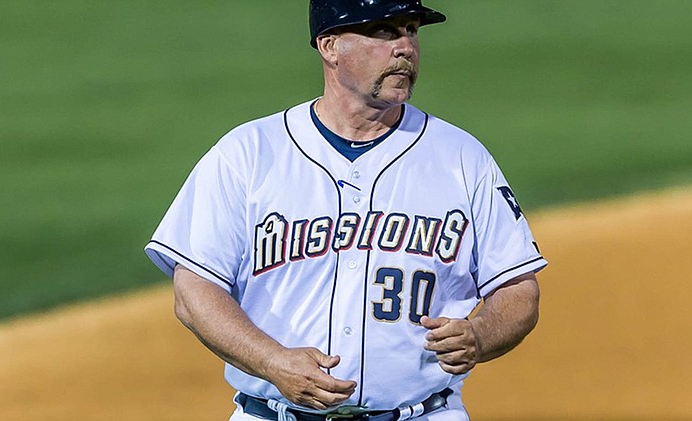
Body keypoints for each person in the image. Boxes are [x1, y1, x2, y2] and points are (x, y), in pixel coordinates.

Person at [145, 1, 547, 420]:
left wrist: (480, 335)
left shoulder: (461, 157)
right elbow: (194, 291)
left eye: (411, 30)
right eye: (384, 31)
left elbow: (518, 289)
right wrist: (270, 361)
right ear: (330, 46)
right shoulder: (247, 154)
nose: (405, 47)